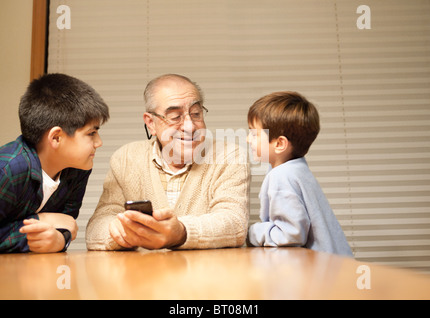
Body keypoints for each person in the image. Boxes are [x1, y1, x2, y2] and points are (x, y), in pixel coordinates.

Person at [86, 74, 250, 251]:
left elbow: (234, 223)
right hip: (144, 275)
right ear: (151, 123)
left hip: (205, 275)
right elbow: (97, 228)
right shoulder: (126, 157)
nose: (190, 127)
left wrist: (181, 233)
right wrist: (118, 231)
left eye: (196, 114)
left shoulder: (230, 155)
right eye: (175, 116)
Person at [0, 73, 109, 253]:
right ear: (56, 137)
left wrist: (59, 240)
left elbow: (66, 224)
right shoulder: (8, 169)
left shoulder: (77, 169)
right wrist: (41, 220)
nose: (99, 143)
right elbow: (58, 223)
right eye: (91, 133)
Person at [246, 91, 352, 256]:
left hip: (320, 272)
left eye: (254, 134)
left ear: (280, 143)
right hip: (337, 265)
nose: (248, 139)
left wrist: (252, 233)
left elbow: (291, 234)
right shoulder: (297, 169)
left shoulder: (282, 176)